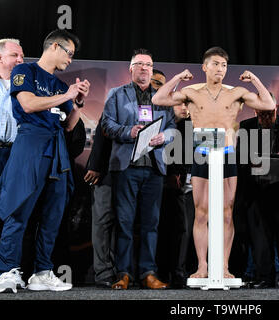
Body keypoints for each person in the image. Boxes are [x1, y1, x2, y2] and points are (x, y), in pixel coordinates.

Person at [152, 46, 275, 279]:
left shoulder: (236, 92)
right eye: (216, 64)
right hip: (202, 153)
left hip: (227, 153)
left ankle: (225, 267)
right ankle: (202, 266)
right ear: (205, 67)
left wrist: (255, 79)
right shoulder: (192, 92)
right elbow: (158, 98)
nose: (221, 69)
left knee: (227, 213)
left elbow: (268, 105)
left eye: (224, 65)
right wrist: (178, 77)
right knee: (201, 213)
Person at [0, 29, 90, 293]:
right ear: (54, 47)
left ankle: (42, 272)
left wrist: (78, 103)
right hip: (30, 144)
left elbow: (69, 127)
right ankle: (7, 271)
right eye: (69, 53)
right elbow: (27, 105)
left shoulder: (60, 85)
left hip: (57, 148)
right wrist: (68, 96)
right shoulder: (25, 72)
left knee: (53, 212)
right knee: (19, 208)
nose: (70, 59)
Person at [101, 48, 175, 290]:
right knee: (123, 222)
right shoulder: (116, 94)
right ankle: (123, 273)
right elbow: (106, 124)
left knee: (151, 223)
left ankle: (148, 272)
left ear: (152, 69)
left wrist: (164, 136)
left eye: (148, 65)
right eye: (139, 64)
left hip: (153, 168)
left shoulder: (163, 98)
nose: (144, 68)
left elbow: (174, 129)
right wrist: (128, 131)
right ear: (130, 68)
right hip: (126, 167)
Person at [238, 92, 279, 289]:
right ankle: (264, 277)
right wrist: (250, 160)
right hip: (256, 190)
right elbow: (240, 157)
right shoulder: (246, 127)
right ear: (255, 110)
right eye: (261, 115)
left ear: (275, 108)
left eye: (270, 114)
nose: (266, 118)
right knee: (259, 237)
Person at [0, 38, 24, 283]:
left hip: (15, 153)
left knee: (12, 212)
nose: (20, 60)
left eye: (22, 56)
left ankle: (5, 271)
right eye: (15, 55)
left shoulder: (28, 86)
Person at [157, 102, 196, 288]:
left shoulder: (189, 125)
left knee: (183, 230)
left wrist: (181, 173)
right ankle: (162, 272)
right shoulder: (163, 123)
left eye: (187, 104)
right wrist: (172, 173)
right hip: (160, 182)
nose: (184, 107)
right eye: (179, 103)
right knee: (163, 228)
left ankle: (179, 273)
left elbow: (189, 155)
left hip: (184, 185)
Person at [84, 116, 115, 288]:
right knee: (103, 219)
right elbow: (102, 136)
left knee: (123, 222)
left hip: (130, 172)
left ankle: (121, 270)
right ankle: (103, 272)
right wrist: (95, 165)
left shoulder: (149, 103)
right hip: (106, 170)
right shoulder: (117, 99)